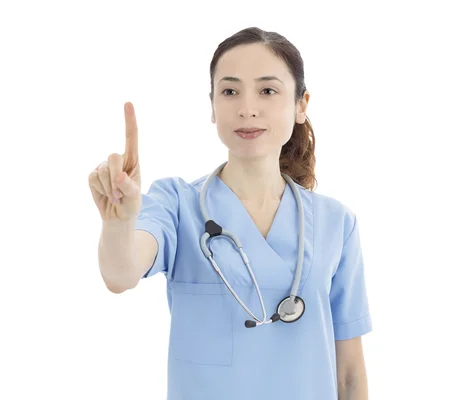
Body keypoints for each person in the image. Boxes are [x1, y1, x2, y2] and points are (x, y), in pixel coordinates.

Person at [89, 26, 372, 400]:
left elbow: (349, 374)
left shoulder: (337, 223)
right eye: (230, 91)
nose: (247, 108)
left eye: (267, 90)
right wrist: (118, 223)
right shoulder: (176, 204)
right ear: (212, 107)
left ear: (301, 105)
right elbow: (120, 273)